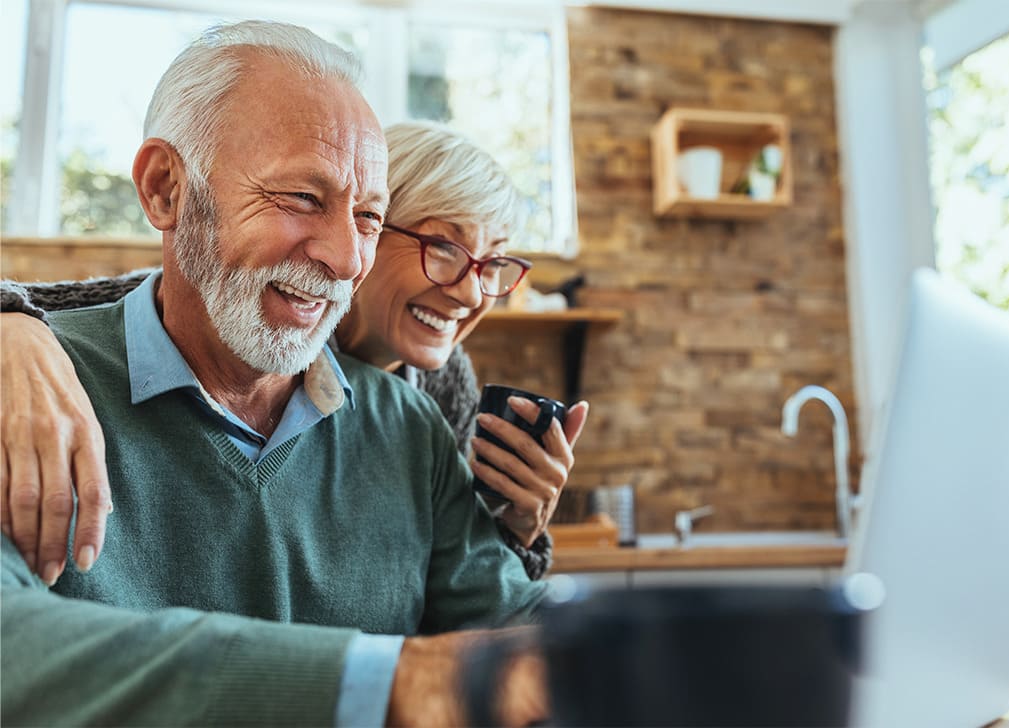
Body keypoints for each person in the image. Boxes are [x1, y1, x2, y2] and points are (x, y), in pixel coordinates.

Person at [0, 20, 551, 727]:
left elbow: (520, 624)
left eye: (369, 216)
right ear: (166, 190)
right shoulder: (26, 390)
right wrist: (391, 683)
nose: (346, 259)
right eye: (302, 198)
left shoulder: (412, 423)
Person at [0, 120, 586, 584]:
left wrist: (517, 528)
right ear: (366, 229)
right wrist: (14, 329)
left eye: (492, 263)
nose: (470, 293)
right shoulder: (230, 312)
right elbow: (75, 312)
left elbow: (454, 586)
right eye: (443, 248)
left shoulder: (441, 386)